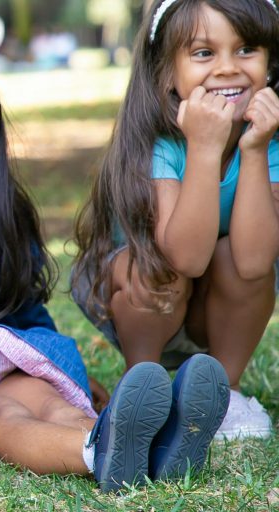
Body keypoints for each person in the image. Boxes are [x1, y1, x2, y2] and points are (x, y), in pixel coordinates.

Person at [0, 50, 229, 492]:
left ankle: (153, 444)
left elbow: (23, 309)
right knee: (2, 416)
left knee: (54, 405)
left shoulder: (2, 215)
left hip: (2, 357)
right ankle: (96, 452)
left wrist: (64, 373)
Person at [71, 0, 279, 441]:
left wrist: (255, 151)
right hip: (149, 297)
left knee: (239, 261)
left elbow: (257, 263)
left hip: (218, 306)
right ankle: (142, 388)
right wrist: (204, 147)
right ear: (167, 71)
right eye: (203, 53)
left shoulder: (269, 138)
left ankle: (224, 391)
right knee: (155, 269)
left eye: (246, 50)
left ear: (271, 62)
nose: (227, 69)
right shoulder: (161, 141)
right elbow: (183, 258)